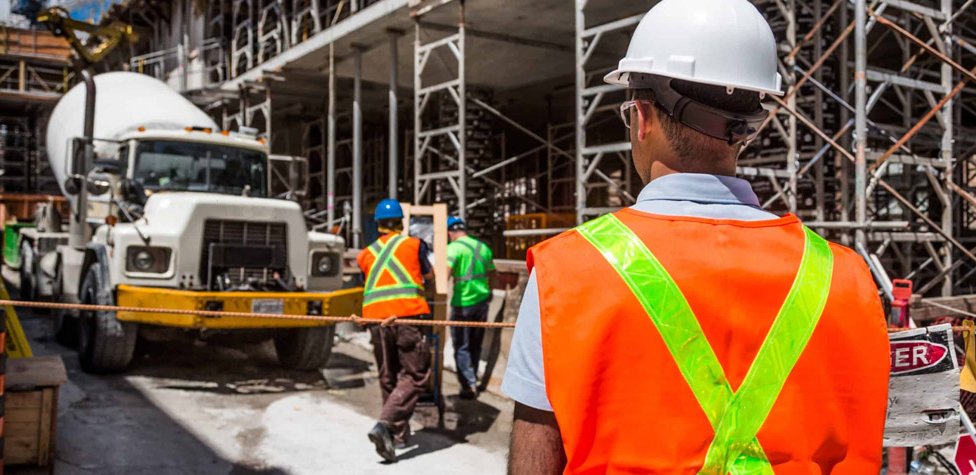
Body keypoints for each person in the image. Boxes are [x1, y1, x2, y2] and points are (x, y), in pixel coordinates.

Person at [502, 0, 890, 473]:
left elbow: (535, 456)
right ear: (746, 127)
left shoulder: (565, 273)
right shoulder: (845, 276)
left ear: (641, 117)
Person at [356, 198, 435, 463]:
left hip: (376, 322)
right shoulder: (414, 245)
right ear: (402, 222)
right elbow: (430, 276)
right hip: (407, 317)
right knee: (416, 375)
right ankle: (386, 424)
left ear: (378, 224)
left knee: (389, 376)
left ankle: (397, 436)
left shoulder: (365, 254)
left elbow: (366, 284)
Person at [445, 216, 497, 399]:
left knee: (461, 346)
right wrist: (489, 291)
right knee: (475, 344)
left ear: (451, 233)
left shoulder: (453, 248)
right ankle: (473, 379)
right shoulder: (483, 248)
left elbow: (446, 273)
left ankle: (468, 386)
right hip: (482, 303)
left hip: (462, 304)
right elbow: (493, 273)